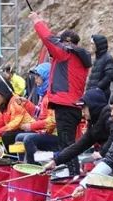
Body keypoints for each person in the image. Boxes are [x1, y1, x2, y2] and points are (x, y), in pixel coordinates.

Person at [30, 12, 92, 161]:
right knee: (70, 144)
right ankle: (70, 173)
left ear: (66, 43)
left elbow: (48, 40)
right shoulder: (79, 57)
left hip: (65, 106)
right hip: (73, 105)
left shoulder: (66, 54)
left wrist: (37, 22)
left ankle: (69, 175)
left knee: (66, 146)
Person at [42, 88, 113, 175]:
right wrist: (55, 161)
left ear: (93, 106)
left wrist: (102, 152)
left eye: (84, 108)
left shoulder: (108, 114)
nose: (82, 112)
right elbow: (78, 146)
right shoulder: (93, 124)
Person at [0, 80, 34, 148]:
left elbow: (13, 125)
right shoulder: (5, 106)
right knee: (5, 135)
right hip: (20, 130)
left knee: (7, 135)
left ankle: (12, 157)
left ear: (3, 93)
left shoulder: (15, 101)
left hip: (31, 130)